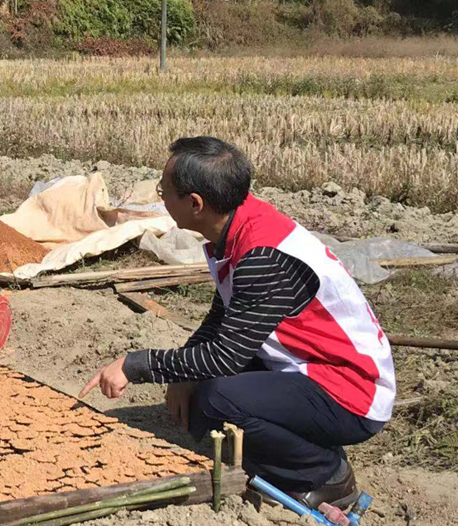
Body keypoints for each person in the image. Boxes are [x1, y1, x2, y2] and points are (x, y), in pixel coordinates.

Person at [80, 136, 394, 510]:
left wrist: (138, 365)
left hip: (352, 392)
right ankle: (301, 444)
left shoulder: (263, 256)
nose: (160, 197)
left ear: (195, 204)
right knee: (201, 387)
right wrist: (181, 372)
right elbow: (223, 314)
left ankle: (324, 473)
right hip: (313, 366)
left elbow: (225, 357)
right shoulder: (240, 223)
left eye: (165, 191)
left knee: (215, 402)